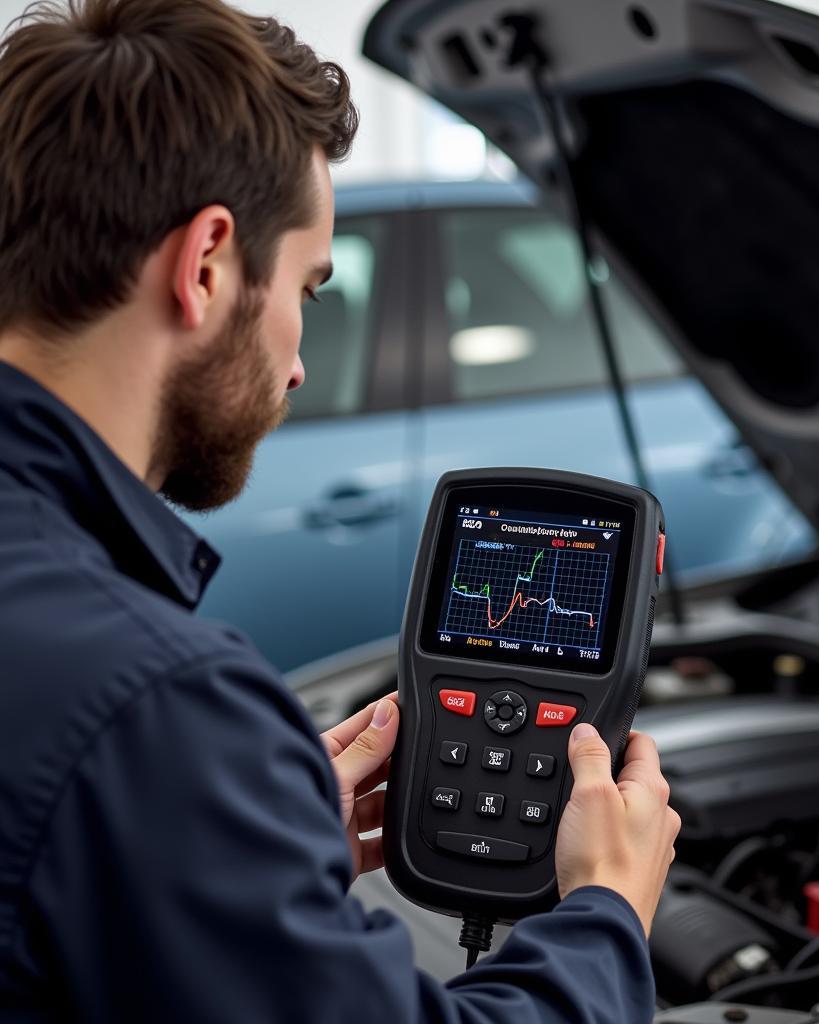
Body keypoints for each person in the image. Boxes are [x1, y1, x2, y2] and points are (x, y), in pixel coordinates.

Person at [0, 0, 681, 1020]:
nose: (299, 364)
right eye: (309, 290)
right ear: (207, 265)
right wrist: (602, 913)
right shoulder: (153, 708)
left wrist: (225, 832)